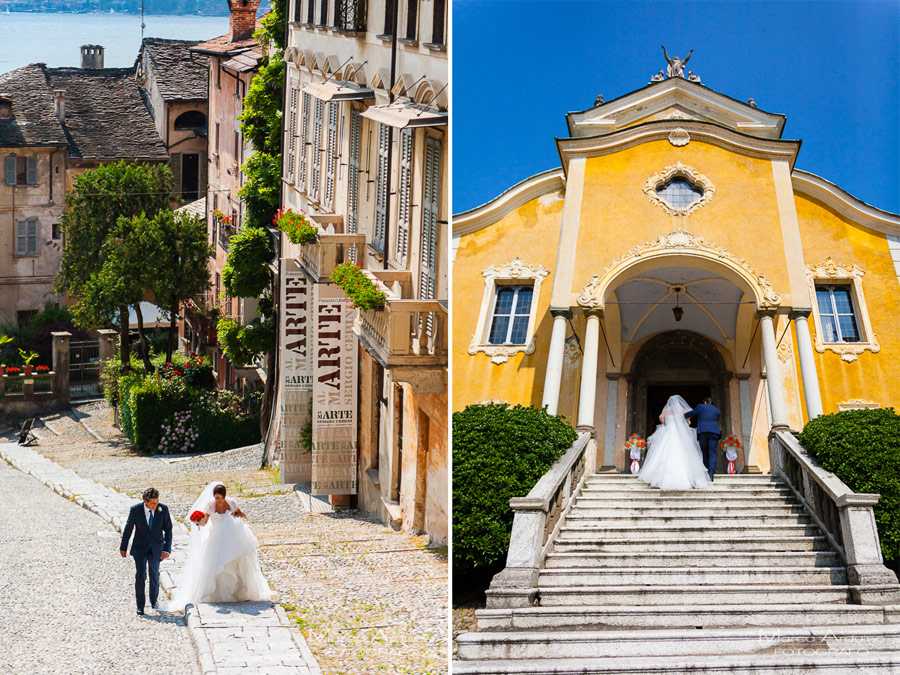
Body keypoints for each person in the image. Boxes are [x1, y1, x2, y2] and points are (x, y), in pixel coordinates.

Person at [166, 481, 272, 612]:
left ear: (225, 497)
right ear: (214, 497)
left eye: (221, 498)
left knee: (237, 562)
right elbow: (205, 522)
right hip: (217, 538)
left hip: (232, 537)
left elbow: (240, 513)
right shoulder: (210, 505)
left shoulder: (231, 503)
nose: (220, 501)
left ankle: (239, 592)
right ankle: (220, 594)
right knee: (218, 564)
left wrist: (240, 516)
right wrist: (198, 520)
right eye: (217, 498)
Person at [637, 395, 711, 490]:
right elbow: (689, 414)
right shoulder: (682, 409)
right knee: (682, 452)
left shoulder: (666, 410)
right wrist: (685, 421)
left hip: (667, 431)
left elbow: (660, 417)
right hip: (678, 432)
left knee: (662, 452)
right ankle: (686, 478)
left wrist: (665, 423)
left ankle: (658, 479)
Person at [119, 487, 173, 616]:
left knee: (154, 574)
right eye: (152, 503)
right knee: (141, 575)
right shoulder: (136, 510)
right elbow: (128, 528)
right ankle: (140, 606)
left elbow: (169, 530)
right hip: (140, 548)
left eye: (157, 502)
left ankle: (154, 602)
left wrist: (167, 549)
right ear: (145, 501)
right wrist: (123, 547)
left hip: (156, 548)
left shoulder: (163, 509)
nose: (155, 505)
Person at [684, 396, 722, 481]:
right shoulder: (717, 410)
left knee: (704, 452)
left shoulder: (700, 406)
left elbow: (691, 413)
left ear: (705, 402)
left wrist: (681, 416)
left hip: (703, 432)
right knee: (712, 452)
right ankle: (711, 473)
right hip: (714, 432)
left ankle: (706, 471)